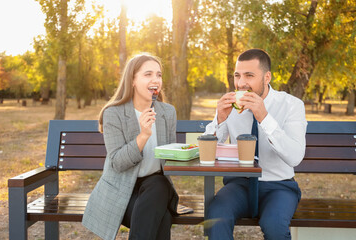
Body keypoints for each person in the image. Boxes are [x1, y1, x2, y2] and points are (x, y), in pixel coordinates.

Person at [204, 49, 307, 240]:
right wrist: (219, 120)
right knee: (216, 216)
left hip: (279, 186)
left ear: (267, 77)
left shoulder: (292, 105)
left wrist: (264, 117)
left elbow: (295, 156)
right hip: (239, 185)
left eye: (249, 75)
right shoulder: (231, 106)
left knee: (274, 226)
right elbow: (207, 151)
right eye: (237, 75)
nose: (241, 83)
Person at [82, 54, 179, 240]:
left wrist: (185, 153)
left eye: (158, 75)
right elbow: (117, 163)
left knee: (158, 183)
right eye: (148, 74)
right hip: (120, 189)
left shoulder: (167, 112)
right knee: (163, 218)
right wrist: (143, 136)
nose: (155, 80)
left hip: (156, 185)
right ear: (132, 80)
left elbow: (169, 157)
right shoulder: (114, 113)